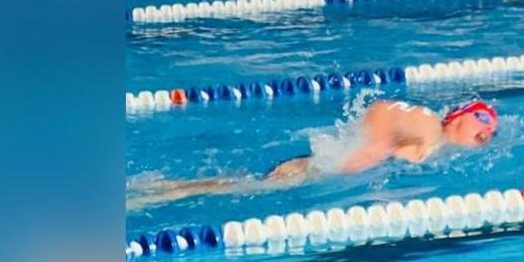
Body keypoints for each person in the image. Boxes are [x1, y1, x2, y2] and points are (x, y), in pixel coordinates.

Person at [126, 100, 498, 209]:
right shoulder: (429, 124)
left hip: (326, 171)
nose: (487, 130)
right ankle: (159, 192)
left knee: (242, 186)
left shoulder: (435, 140)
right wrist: (376, 145)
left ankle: (159, 190)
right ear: (458, 116)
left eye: (492, 130)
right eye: (482, 118)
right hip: (318, 170)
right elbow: (383, 108)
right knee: (238, 188)